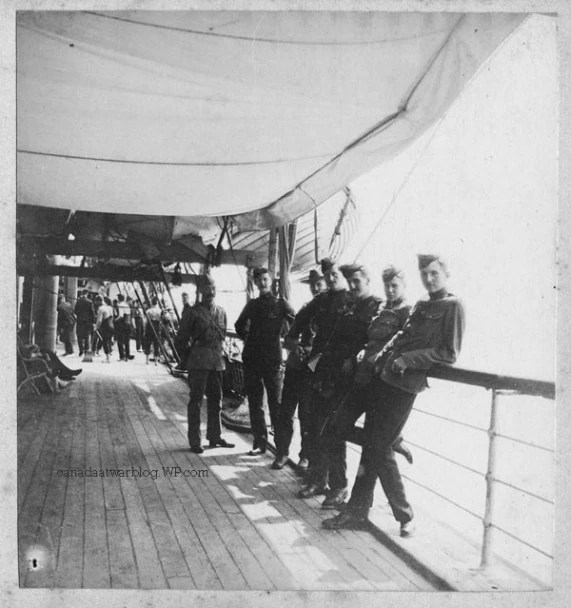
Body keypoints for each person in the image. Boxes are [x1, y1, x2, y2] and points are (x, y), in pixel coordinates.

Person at [322, 254, 465, 536]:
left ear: (446, 273)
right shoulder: (422, 303)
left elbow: (449, 353)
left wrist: (408, 360)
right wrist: (381, 355)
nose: (429, 279)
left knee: (376, 447)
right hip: (381, 377)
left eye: (434, 273)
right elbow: (400, 337)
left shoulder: (453, 306)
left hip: (404, 385)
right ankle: (391, 457)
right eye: (425, 274)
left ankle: (376, 512)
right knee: (353, 434)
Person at [310, 263, 383, 509]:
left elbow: (377, 342)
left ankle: (343, 490)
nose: (352, 286)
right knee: (329, 429)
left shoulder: (377, 307)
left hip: (360, 381)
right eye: (349, 281)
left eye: (356, 282)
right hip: (337, 378)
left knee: (337, 429)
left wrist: (355, 357)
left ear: (368, 281)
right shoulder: (349, 306)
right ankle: (335, 485)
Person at [284, 258, 354, 498]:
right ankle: (316, 480)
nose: (331, 279)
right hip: (318, 370)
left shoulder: (353, 301)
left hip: (341, 374)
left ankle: (338, 486)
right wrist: (295, 345)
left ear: (343, 276)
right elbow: (295, 327)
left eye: (335, 274)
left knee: (334, 430)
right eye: (328, 276)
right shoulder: (321, 301)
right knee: (313, 427)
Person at [235, 267, 295, 455]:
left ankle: (281, 451)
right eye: (259, 279)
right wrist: (248, 338)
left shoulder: (280, 304)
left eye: (265, 279)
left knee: (276, 404)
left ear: (271, 281)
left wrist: (291, 341)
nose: (262, 282)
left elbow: (297, 322)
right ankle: (260, 443)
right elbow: (239, 325)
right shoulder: (252, 305)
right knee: (255, 403)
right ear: (255, 282)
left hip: (272, 361)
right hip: (252, 359)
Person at [272, 269, 327, 470]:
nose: (316, 288)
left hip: (313, 370)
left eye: (319, 284)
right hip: (295, 367)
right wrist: (296, 347)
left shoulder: (333, 314)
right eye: (313, 285)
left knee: (307, 415)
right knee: (286, 412)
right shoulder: (305, 310)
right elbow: (289, 338)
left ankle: (305, 456)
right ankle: (282, 453)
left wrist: (314, 354)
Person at [176, 278, 235, 454]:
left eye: (213, 288)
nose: (210, 292)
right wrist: (189, 358)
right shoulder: (192, 313)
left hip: (217, 362)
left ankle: (215, 436)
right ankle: (195, 441)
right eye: (207, 289)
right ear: (200, 291)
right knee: (196, 401)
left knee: (216, 400)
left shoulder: (221, 312)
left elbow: (222, 337)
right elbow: (180, 340)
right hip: (198, 362)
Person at [74, 290, 95, 357]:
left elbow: (75, 311)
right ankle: (86, 351)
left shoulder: (78, 301)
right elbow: (92, 313)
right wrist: (93, 322)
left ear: (82, 293)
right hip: (87, 321)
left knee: (79, 336)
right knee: (87, 336)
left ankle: (81, 351)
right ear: (87, 294)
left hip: (80, 321)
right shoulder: (90, 302)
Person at [95, 296, 115, 363]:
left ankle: (108, 358)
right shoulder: (110, 308)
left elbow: (99, 320)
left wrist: (97, 327)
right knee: (108, 341)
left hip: (105, 326)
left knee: (105, 341)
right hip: (111, 325)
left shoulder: (101, 308)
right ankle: (108, 356)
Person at [143, 297, 163, 365]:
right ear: (157, 303)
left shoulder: (148, 311)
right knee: (156, 344)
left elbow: (145, 321)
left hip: (149, 326)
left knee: (148, 343)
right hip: (157, 326)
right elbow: (161, 321)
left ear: (151, 303)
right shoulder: (160, 311)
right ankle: (156, 361)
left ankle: (147, 360)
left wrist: (144, 329)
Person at [115, 294, 132, 361]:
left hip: (123, 324)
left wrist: (115, 320)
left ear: (118, 299)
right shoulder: (127, 305)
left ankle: (122, 356)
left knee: (120, 341)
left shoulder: (120, 305)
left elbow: (121, 316)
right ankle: (127, 355)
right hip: (128, 324)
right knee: (127, 341)